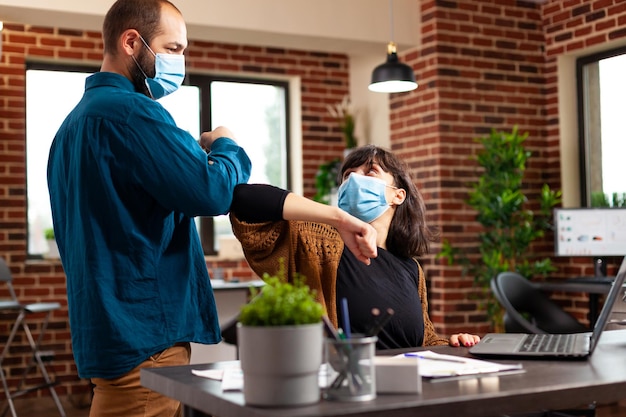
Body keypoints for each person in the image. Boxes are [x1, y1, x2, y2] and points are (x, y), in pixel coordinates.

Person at [46, 1, 251, 416]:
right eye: (173, 49)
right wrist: (227, 145)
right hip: (147, 342)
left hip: (110, 335)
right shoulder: (134, 114)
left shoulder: (70, 129)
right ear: (131, 42)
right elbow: (212, 193)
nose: (181, 61)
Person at [230, 145, 480, 349]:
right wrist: (338, 218)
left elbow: (424, 342)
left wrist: (451, 342)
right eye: (348, 175)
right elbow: (244, 199)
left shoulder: (412, 270)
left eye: (371, 172)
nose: (354, 179)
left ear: (398, 195)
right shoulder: (314, 241)